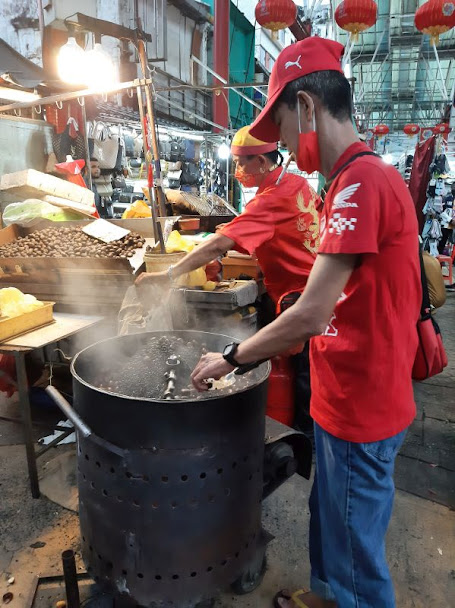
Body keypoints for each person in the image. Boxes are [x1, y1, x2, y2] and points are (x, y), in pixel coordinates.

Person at [191, 37, 421, 608]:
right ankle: (327, 594)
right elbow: (338, 296)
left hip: (361, 400)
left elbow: (316, 313)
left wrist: (231, 357)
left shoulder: (362, 182)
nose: (287, 149)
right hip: (347, 390)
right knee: (332, 516)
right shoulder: (348, 180)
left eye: (285, 133)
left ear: (308, 108)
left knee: (356, 546)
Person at [136, 124, 320, 430]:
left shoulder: (269, 200)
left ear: (261, 162)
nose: (236, 169)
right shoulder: (299, 185)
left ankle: (302, 437)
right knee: (308, 371)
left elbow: (221, 242)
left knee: (305, 377)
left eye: (240, 162)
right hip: (317, 291)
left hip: (300, 300)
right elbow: (294, 235)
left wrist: (167, 275)